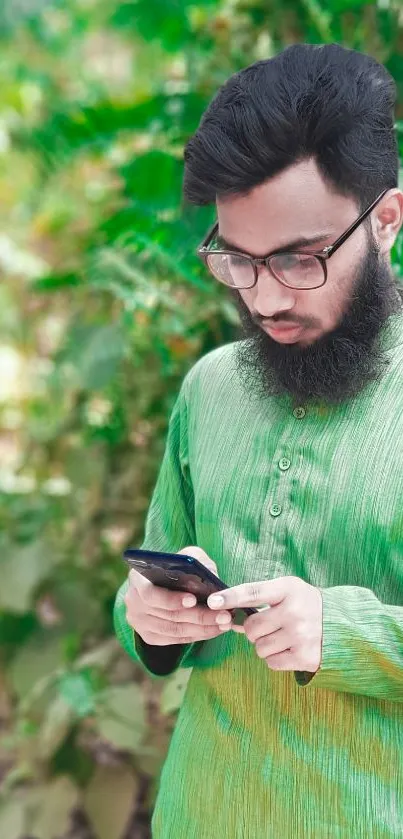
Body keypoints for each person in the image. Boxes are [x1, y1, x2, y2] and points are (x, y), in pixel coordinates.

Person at [114, 43, 403, 838]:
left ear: (383, 220)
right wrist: (148, 616)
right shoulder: (210, 386)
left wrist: (342, 633)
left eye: (298, 259)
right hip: (200, 811)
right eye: (237, 260)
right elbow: (146, 584)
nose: (265, 294)